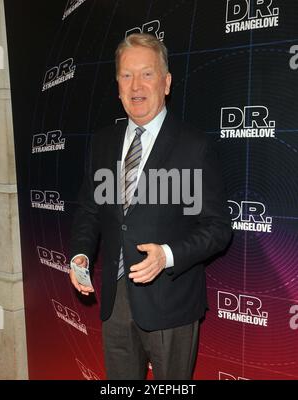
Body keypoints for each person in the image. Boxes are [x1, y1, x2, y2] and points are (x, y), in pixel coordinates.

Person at [69, 33, 232, 380]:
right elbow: (88, 210)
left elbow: (218, 229)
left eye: (147, 73)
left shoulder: (194, 146)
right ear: (117, 85)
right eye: (126, 75)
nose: (136, 85)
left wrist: (167, 256)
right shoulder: (102, 143)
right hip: (114, 303)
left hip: (171, 303)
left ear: (166, 81)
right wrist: (80, 255)